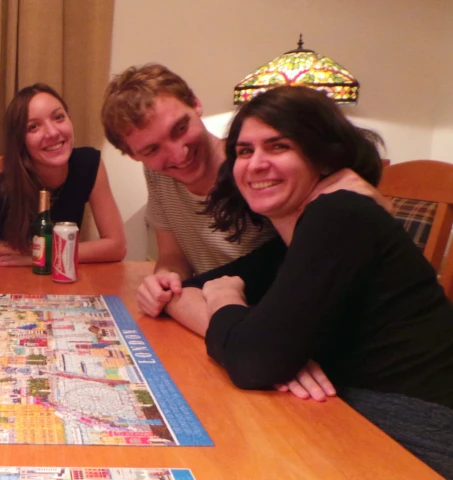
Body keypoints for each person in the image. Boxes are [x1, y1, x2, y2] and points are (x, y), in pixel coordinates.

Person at [181, 86, 453, 477]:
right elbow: (190, 291)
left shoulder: (338, 214)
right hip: (352, 411)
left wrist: (225, 301)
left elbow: (253, 361)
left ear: (323, 157)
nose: (256, 164)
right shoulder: (294, 236)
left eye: (278, 147)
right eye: (244, 151)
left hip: (416, 431)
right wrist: (246, 330)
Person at [100, 64, 387, 317]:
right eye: (152, 149)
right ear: (134, 155)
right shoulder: (157, 174)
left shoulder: (259, 172)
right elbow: (174, 255)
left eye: (180, 128)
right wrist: (166, 281)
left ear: (196, 104)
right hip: (228, 313)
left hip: (282, 316)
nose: (177, 154)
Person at [0, 83, 126, 265]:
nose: (53, 132)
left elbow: (116, 246)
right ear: (20, 142)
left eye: (59, 117)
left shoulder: (89, 163)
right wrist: (5, 248)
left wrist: (38, 255)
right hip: (3, 284)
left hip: (56, 283)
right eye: (33, 127)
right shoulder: (0, 192)